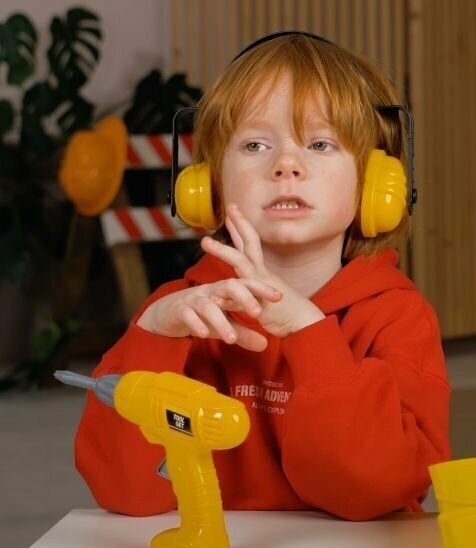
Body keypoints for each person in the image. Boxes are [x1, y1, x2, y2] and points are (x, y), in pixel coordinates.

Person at [75, 32, 451, 521]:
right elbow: (126, 493)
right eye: (254, 144)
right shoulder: (176, 316)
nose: (286, 166)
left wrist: (308, 333)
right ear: (206, 186)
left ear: (378, 184)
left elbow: (373, 494)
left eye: (320, 143)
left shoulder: (399, 319)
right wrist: (151, 341)